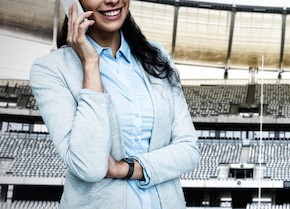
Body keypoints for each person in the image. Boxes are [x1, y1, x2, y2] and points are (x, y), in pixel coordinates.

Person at [29, 0, 200, 208]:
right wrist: (90, 64)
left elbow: (189, 150)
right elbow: (89, 166)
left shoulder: (156, 56)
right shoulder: (50, 70)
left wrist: (126, 168)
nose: (111, 0)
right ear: (72, 3)